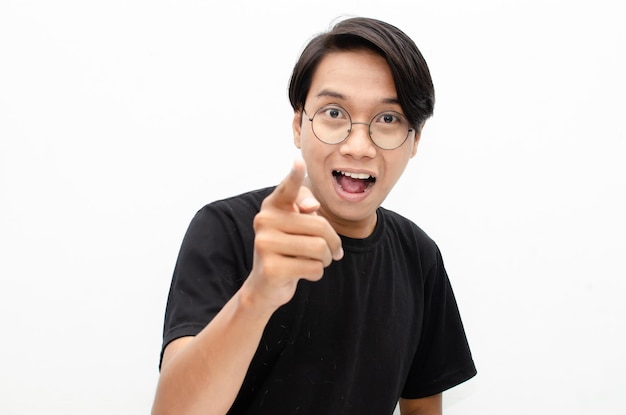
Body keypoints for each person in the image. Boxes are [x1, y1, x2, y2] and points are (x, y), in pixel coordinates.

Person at [152, 16, 476, 415]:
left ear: (415, 141)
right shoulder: (226, 230)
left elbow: (423, 408)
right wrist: (258, 295)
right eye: (334, 113)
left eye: (388, 119)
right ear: (298, 125)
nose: (359, 146)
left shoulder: (419, 257)